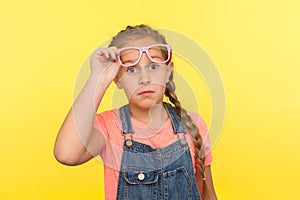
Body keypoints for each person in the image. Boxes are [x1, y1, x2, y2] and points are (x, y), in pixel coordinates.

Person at [54, 24, 218, 200]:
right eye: (131, 70)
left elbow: (207, 195)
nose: (144, 79)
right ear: (117, 78)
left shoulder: (192, 125)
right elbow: (66, 154)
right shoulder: (109, 127)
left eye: (153, 66)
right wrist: (99, 78)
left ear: (167, 71)